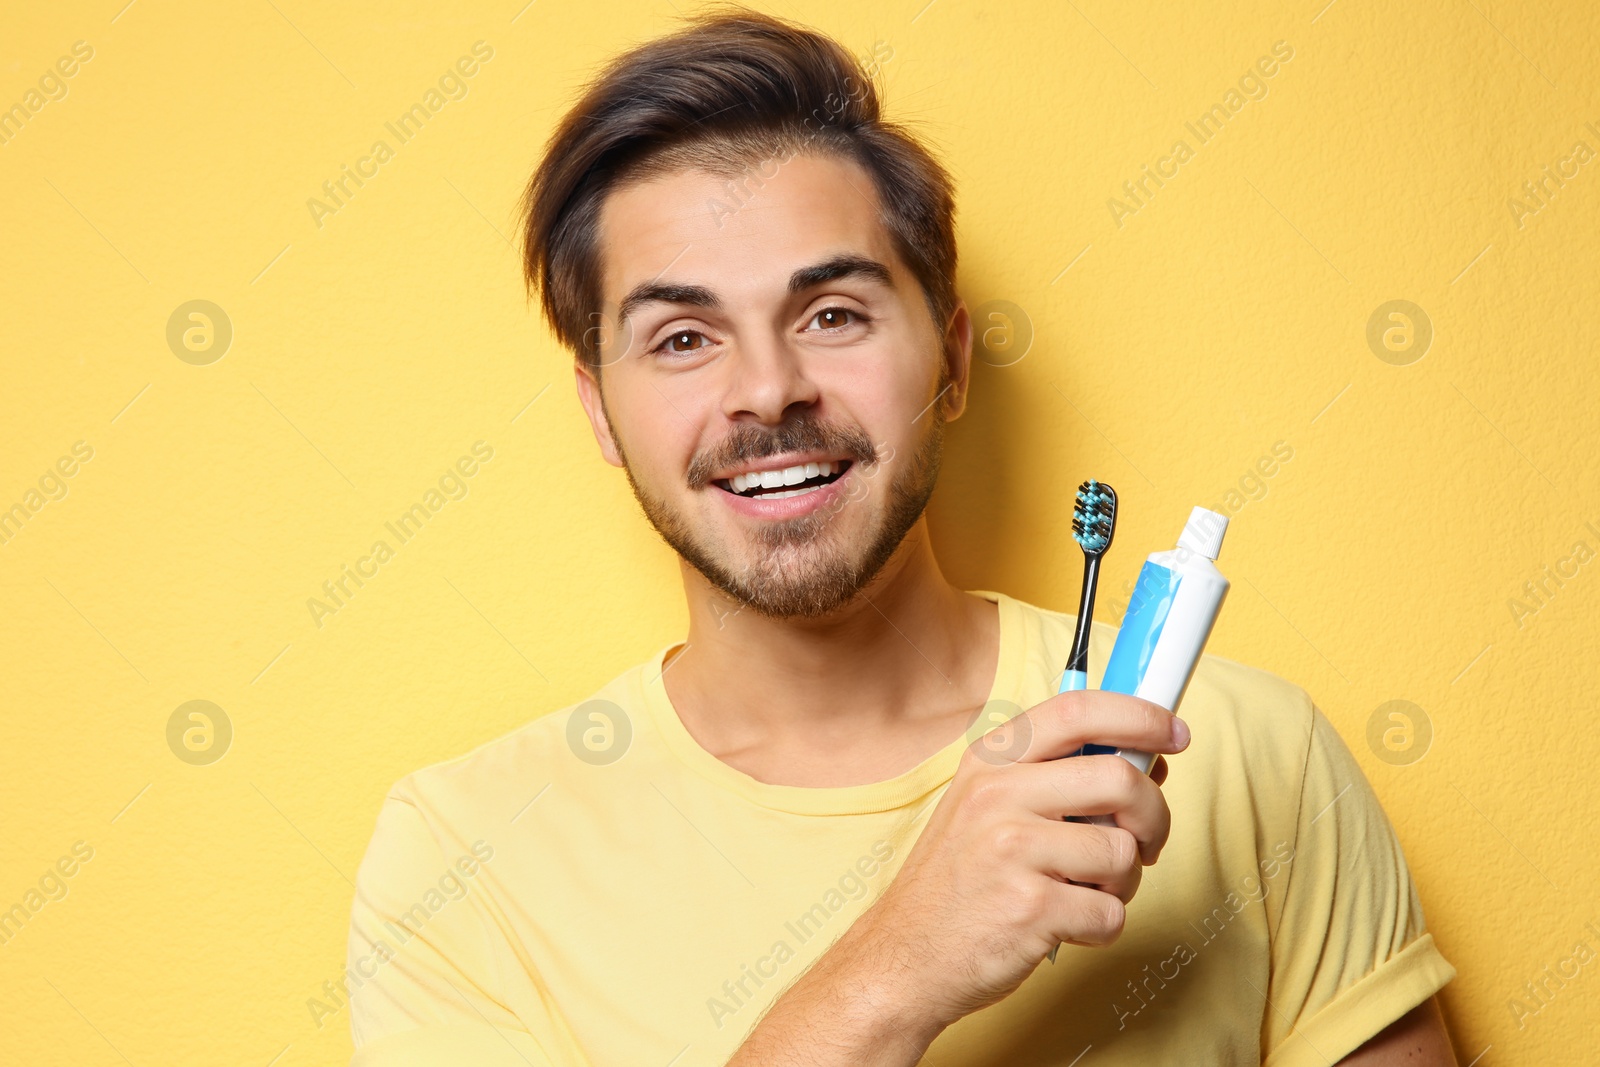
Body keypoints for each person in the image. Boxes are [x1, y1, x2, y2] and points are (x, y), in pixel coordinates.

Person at [344, 9, 1458, 1065]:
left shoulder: (1249, 752)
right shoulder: (459, 856)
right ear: (599, 410)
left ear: (954, 361)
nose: (767, 391)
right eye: (682, 337)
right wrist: (895, 969)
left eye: (832, 315)